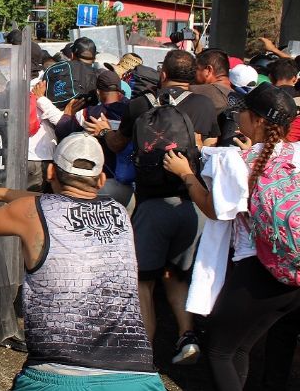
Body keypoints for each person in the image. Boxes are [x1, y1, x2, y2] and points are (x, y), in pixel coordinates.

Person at [0, 132, 163, 391]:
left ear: (51, 171)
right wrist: (1, 193)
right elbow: (59, 204)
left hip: (59, 377)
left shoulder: (31, 211)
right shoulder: (119, 212)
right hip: (137, 377)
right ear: (102, 179)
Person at [85, 50, 220, 364]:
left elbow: (118, 144)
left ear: (163, 74)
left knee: (144, 281)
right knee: (175, 275)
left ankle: (143, 351)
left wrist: (104, 131)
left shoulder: (140, 104)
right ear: (194, 74)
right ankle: (186, 338)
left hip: (151, 204)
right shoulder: (204, 104)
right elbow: (210, 146)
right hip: (192, 203)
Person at [163, 82, 300, 391]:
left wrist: (185, 174)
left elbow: (215, 210)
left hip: (259, 270)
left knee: (218, 350)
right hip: (292, 273)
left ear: (257, 120)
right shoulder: (294, 153)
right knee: (238, 347)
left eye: (243, 112)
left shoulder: (239, 162)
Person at [54, 70, 133, 206]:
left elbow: (62, 130)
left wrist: (67, 114)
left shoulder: (88, 113)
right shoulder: (133, 110)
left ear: (98, 92)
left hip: (99, 181)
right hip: (129, 182)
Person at [191, 48, 233, 116]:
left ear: (208, 70)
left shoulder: (194, 91)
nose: (194, 73)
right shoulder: (240, 100)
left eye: (196, 69)